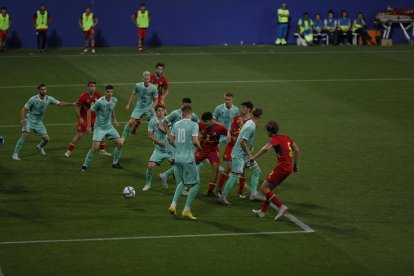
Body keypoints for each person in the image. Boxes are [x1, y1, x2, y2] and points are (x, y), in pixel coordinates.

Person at [12, 84, 77, 160]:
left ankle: (40, 147)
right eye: (42, 89)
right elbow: (24, 108)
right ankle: (15, 154)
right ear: (39, 90)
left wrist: (72, 104)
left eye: (45, 89)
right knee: (25, 135)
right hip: (29, 120)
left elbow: (60, 103)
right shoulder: (33, 99)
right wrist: (23, 119)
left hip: (38, 122)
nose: (44, 91)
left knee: (47, 139)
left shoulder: (49, 98)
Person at [250, 121, 299, 220]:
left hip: (282, 166)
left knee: (264, 187)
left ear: (270, 132)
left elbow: (265, 148)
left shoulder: (275, 139)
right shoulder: (287, 137)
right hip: (288, 167)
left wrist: (253, 157)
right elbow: (297, 149)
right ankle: (262, 212)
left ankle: (281, 206)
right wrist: (295, 165)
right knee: (269, 189)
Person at [218, 108, 263, 205]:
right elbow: (242, 141)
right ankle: (222, 197)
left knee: (256, 170)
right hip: (239, 155)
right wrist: (250, 154)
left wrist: (250, 147)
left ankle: (253, 194)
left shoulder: (250, 123)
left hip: (244, 154)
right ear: (260, 116)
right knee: (235, 176)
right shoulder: (251, 126)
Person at [168, 104, 202, 220]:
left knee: (182, 182)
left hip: (178, 158)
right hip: (188, 158)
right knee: (196, 183)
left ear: (182, 113)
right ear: (190, 113)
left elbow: (170, 139)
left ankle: (173, 205)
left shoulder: (176, 124)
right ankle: (186, 210)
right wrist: (199, 148)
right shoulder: (194, 124)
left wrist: (178, 147)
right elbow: (195, 140)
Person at [81, 85, 123, 171]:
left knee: (120, 143)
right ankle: (85, 165)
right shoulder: (99, 102)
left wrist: (114, 119)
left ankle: (115, 163)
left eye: (111, 92)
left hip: (109, 126)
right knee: (95, 147)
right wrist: (89, 126)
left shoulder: (114, 100)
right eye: (108, 92)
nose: (110, 94)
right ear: (105, 92)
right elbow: (89, 111)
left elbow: (112, 109)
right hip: (99, 128)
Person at [159, 98, 199, 188]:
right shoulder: (175, 113)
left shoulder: (193, 115)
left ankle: (165, 175)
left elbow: (198, 124)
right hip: (172, 141)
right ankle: (180, 185)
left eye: (188, 105)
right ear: (182, 104)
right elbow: (164, 122)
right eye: (184, 105)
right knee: (180, 162)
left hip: (182, 142)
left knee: (181, 161)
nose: (185, 107)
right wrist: (169, 134)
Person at [216, 101, 253, 198]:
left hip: (242, 148)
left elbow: (251, 136)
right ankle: (219, 189)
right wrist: (229, 135)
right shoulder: (237, 118)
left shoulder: (251, 123)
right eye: (241, 107)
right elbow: (230, 128)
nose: (242, 109)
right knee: (228, 167)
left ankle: (240, 192)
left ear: (249, 109)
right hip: (232, 146)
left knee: (242, 169)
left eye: (244, 107)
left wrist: (250, 147)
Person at [64, 81, 111, 158]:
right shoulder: (83, 96)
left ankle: (102, 150)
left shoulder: (97, 95)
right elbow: (77, 108)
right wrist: (79, 118)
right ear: (88, 87)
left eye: (94, 86)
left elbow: (100, 105)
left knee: (101, 133)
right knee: (79, 135)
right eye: (91, 86)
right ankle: (68, 151)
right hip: (84, 118)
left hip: (94, 117)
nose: (93, 88)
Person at [142, 104, 175, 191]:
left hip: (170, 149)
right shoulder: (152, 121)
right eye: (159, 111)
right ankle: (148, 184)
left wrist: (161, 129)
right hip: (159, 149)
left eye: (162, 111)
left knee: (178, 166)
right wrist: (158, 142)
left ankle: (181, 187)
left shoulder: (169, 120)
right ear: (155, 112)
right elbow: (149, 135)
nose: (161, 113)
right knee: (150, 166)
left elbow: (171, 134)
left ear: (165, 111)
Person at [131, 62, 169, 135]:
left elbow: (167, 91)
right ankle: (134, 129)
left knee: (164, 114)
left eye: (161, 69)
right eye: (158, 69)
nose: (159, 71)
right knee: (140, 117)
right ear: (156, 69)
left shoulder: (164, 80)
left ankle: (163, 130)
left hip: (158, 98)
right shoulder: (150, 77)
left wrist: (163, 96)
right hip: (149, 99)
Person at [197, 112, 227, 197]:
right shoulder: (201, 124)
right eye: (203, 122)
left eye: (206, 122)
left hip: (213, 150)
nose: (204, 124)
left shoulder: (220, 127)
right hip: (202, 149)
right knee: (189, 162)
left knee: (216, 166)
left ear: (211, 120)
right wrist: (197, 137)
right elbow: (193, 129)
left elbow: (228, 134)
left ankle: (210, 190)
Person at [121, 71, 158, 141]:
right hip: (139, 107)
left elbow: (156, 99)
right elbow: (133, 95)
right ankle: (122, 138)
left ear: (150, 79)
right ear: (143, 79)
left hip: (149, 107)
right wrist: (128, 104)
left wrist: (152, 107)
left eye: (148, 78)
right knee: (131, 122)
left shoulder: (153, 88)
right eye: (145, 79)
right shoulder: (138, 86)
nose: (146, 80)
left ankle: (158, 138)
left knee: (155, 122)